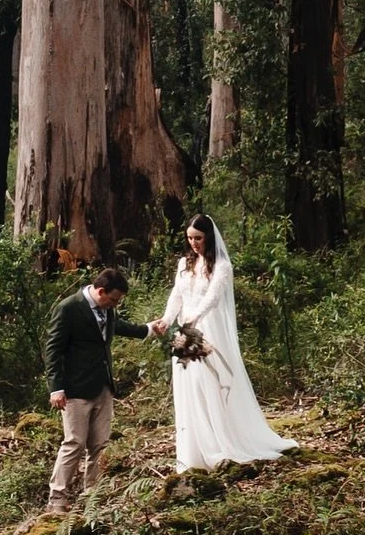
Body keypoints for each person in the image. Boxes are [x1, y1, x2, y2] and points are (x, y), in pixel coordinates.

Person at [155, 215, 298, 472]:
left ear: (208, 237)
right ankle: (195, 449)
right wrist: (167, 319)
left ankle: (220, 442)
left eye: (198, 238)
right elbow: (177, 294)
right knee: (189, 387)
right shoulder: (183, 264)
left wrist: (195, 316)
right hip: (185, 332)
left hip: (207, 329)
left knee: (210, 383)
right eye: (190, 238)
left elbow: (213, 296)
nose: (193, 243)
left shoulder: (221, 266)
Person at [45, 267, 159, 506]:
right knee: (74, 443)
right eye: (114, 299)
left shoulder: (107, 310)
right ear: (100, 291)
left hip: (103, 386)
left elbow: (119, 326)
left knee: (100, 445)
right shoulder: (69, 307)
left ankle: (92, 498)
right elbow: (53, 349)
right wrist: (56, 388)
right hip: (75, 389)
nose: (115, 305)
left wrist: (149, 329)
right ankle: (57, 499)